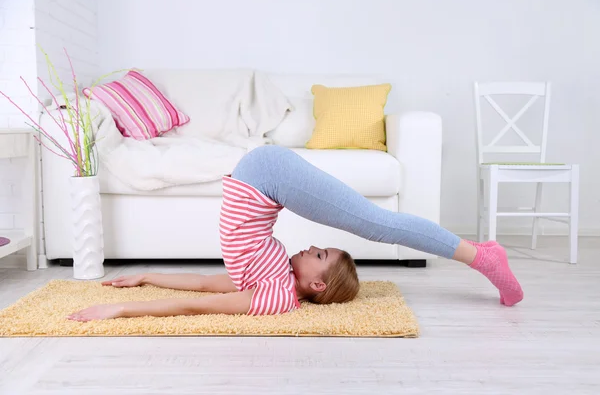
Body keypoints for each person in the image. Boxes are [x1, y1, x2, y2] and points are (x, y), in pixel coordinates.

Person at [67, 146, 523, 322]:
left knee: (374, 224)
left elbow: (203, 295)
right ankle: (481, 256)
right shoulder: (278, 279)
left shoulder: (272, 294)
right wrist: (138, 288)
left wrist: (137, 288)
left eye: (319, 254)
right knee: (371, 222)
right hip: (264, 173)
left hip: (263, 175)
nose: (309, 246)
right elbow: (205, 295)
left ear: (316, 284)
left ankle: (483, 256)